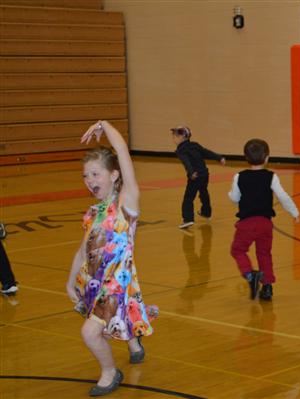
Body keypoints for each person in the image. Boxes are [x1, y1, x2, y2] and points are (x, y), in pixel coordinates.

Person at [66, 120, 158, 397]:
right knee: (108, 329)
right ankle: (134, 342)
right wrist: (71, 283)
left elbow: (123, 152)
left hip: (116, 285)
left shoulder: (126, 204)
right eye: (86, 176)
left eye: (96, 174)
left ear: (114, 175)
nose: (90, 181)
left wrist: (105, 126)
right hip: (96, 283)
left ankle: (110, 372)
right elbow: (83, 250)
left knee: (91, 333)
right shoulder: (94, 212)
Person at [229, 139, 299, 301]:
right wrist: (294, 212)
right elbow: (283, 196)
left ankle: (249, 275)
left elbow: (234, 198)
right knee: (264, 254)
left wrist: (230, 195)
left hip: (246, 224)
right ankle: (267, 287)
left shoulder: (239, 176)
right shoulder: (271, 177)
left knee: (238, 250)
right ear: (267, 157)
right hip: (265, 224)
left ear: (245, 157)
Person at [171, 126, 226, 229]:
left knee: (188, 198)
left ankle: (188, 219)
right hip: (204, 174)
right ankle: (206, 212)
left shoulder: (180, 150)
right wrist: (219, 157)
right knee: (203, 192)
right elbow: (206, 152)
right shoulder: (194, 145)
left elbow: (186, 162)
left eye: (175, 136)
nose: (173, 138)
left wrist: (191, 173)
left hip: (195, 176)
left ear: (182, 137)